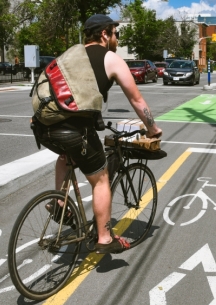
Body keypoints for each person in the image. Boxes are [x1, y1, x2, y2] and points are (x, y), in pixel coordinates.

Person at [34, 14, 162, 254]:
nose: (116, 39)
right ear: (105, 34)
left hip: (44, 126)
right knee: (101, 179)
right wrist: (152, 128)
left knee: (65, 156)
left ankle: (60, 203)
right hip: (74, 128)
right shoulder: (111, 58)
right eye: (115, 34)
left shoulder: (70, 55)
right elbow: (136, 99)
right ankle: (104, 237)